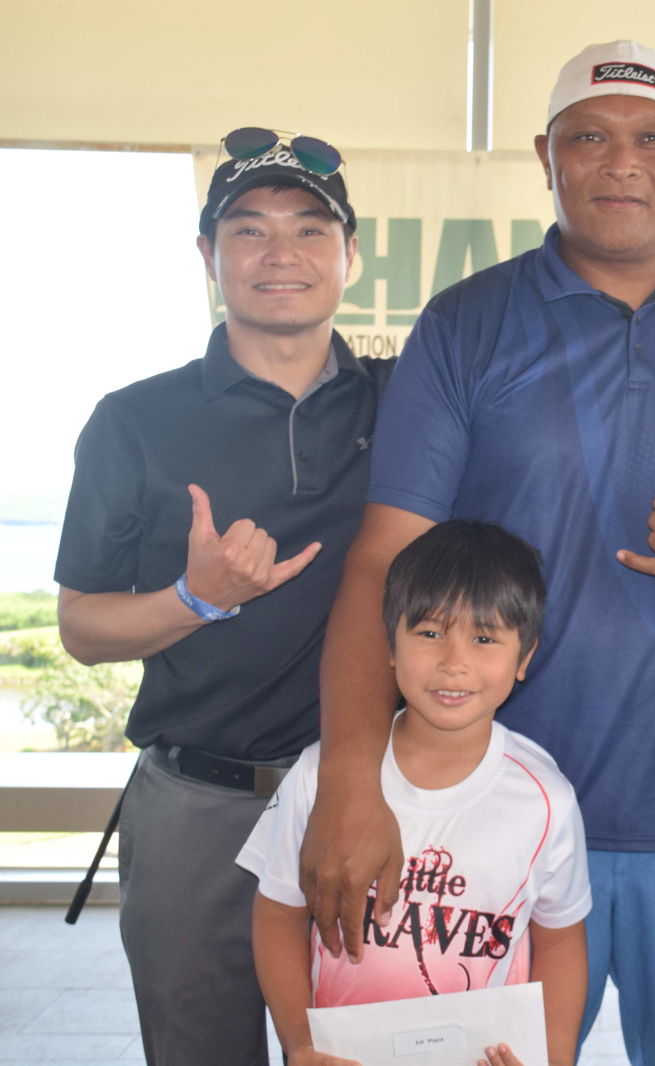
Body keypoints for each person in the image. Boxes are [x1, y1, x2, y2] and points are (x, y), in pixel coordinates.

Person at [298, 40, 655, 1065]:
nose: (622, 162)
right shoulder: (469, 322)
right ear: (544, 156)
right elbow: (384, 561)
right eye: (589, 137)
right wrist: (351, 776)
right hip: (488, 809)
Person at [52, 129, 377, 1066]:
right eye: (249, 230)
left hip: (359, 800)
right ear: (208, 257)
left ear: (350, 255)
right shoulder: (134, 420)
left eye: (311, 230)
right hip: (197, 806)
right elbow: (82, 627)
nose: (282, 253)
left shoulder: (405, 400)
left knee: (367, 1048)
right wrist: (196, 598)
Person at [238, 520, 589, 1066]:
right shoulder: (324, 777)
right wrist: (299, 1043)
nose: (454, 661)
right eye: (429, 633)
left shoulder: (546, 800)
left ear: (524, 657)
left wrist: (554, 1059)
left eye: (485, 638)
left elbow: (561, 940)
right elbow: (277, 912)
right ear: (389, 645)